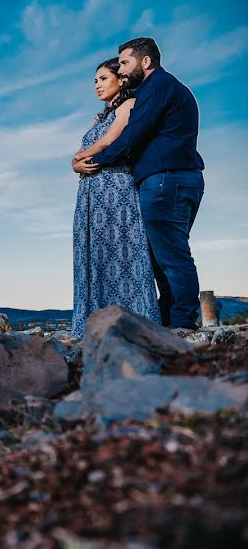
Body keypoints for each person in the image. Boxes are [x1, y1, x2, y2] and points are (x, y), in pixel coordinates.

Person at [73, 38, 205, 329]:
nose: (121, 69)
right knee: (162, 256)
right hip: (169, 179)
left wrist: (93, 162)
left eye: (124, 63)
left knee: (171, 254)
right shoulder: (158, 88)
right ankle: (170, 317)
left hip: (167, 179)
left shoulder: (158, 86)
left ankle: (182, 322)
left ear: (145, 61)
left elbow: (132, 137)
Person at [70, 58, 161, 337]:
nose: (97, 85)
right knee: (94, 256)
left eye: (103, 79)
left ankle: (137, 324)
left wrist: (76, 159)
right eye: (95, 81)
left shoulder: (129, 106)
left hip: (116, 193)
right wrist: (76, 163)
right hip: (90, 194)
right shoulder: (97, 116)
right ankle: (94, 324)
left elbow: (110, 140)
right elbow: (84, 149)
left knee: (124, 255)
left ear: (121, 80)